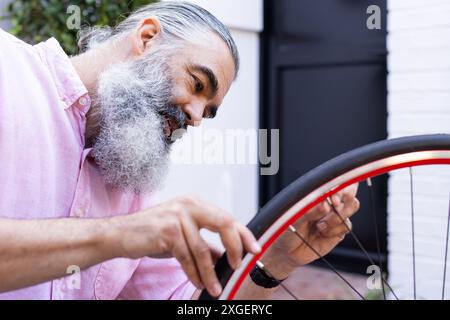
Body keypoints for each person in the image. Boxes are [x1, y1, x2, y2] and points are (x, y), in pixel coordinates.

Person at [0, 1, 359, 300]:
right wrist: (121, 235)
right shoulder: (8, 72)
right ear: (147, 37)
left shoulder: (132, 192)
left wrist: (276, 261)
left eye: (209, 111)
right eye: (198, 84)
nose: (196, 117)